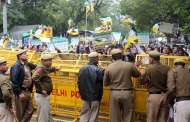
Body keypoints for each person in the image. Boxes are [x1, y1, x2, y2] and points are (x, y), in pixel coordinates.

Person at [103, 49, 141, 122]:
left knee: (115, 117)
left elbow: (105, 83)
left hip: (114, 93)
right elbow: (137, 75)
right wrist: (135, 66)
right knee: (128, 116)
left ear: (112, 57)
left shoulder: (109, 67)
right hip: (127, 93)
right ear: (121, 56)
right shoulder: (129, 65)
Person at [140, 51, 170, 122]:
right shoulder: (167, 68)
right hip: (165, 95)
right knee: (163, 118)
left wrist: (142, 75)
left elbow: (143, 82)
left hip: (154, 96)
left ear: (151, 59)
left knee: (151, 118)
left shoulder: (149, 69)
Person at [32, 54, 61, 122]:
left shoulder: (44, 67)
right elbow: (34, 78)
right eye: (50, 61)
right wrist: (41, 90)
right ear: (44, 61)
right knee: (43, 116)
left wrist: (56, 68)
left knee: (47, 114)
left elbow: (49, 69)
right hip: (42, 95)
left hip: (44, 95)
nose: (51, 62)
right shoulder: (41, 68)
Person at [10, 49, 36, 122]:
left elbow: (36, 66)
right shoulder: (16, 66)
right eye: (24, 54)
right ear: (19, 56)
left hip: (27, 91)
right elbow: (13, 81)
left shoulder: (26, 64)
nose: (27, 55)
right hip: (21, 91)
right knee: (20, 113)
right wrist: (20, 92)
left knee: (30, 109)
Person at [78, 52, 104, 122]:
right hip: (95, 96)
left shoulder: (82, 69)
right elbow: (103, 79)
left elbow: (79, 82)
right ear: (95, 59)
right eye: (98, 58)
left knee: (84, 114)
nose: (98, 59)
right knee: (93, 115)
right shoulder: (98, 70)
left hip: (84, 96)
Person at [0, 57, 15, 122]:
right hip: (2, 105)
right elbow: (6, 93)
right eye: (4, 65)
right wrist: (10, 105)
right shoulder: (3, 78)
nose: (7, 66)